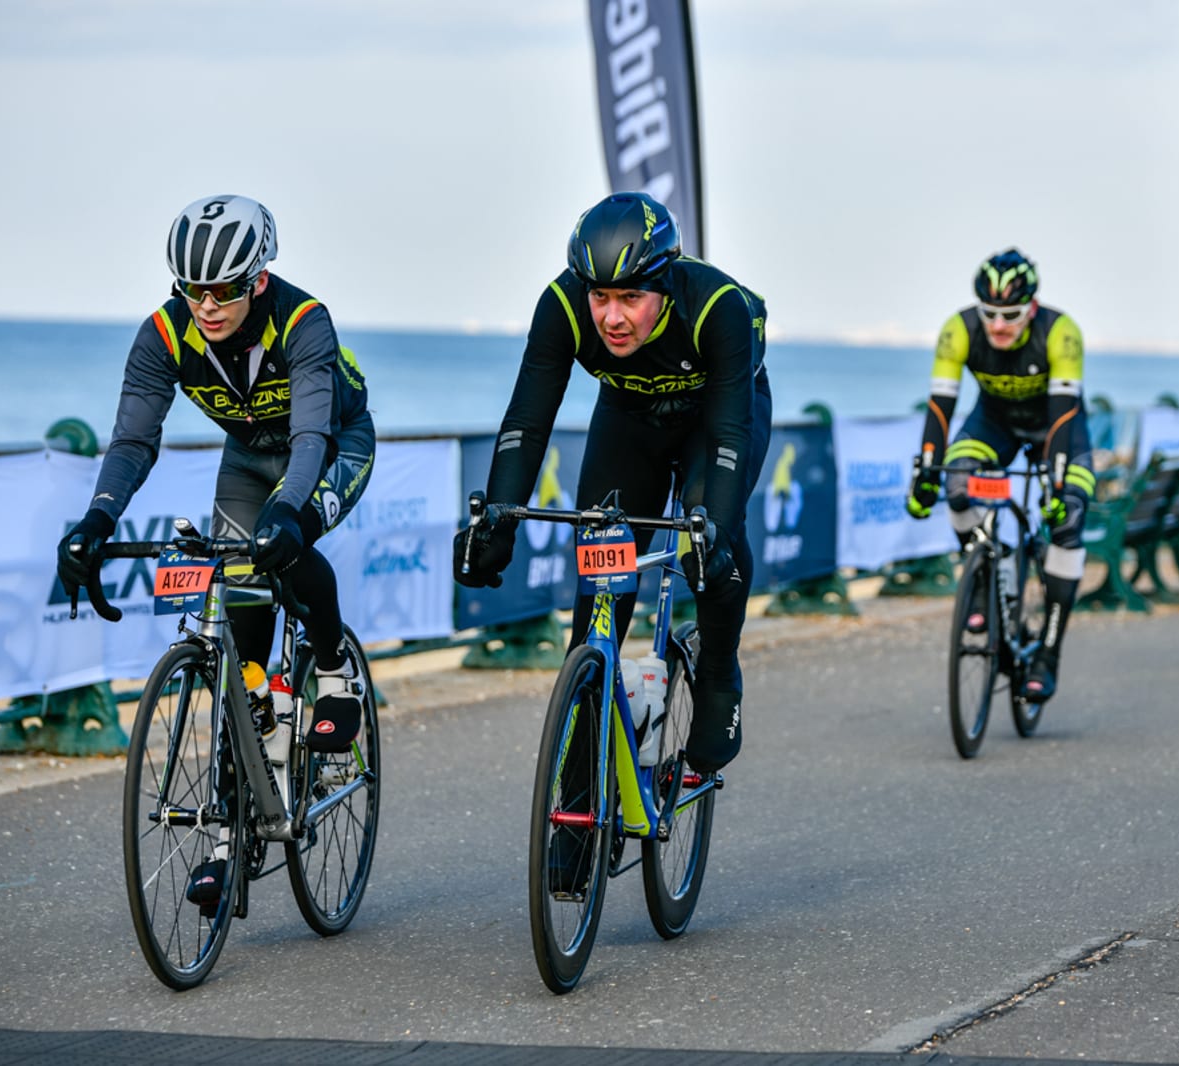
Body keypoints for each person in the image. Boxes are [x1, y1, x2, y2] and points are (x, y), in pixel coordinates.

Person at [55, 194, 375, 907]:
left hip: (327, 448)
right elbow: (135, 439)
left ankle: (331, 675)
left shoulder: (303, 321)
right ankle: (233, 832)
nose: (206, 304)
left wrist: (290, 511)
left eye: (224, 289)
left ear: (258, 279)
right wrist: (97, 520)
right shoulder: (164, 335)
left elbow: (312, 436)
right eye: (191, 289)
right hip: (246, 458)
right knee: (244, 650)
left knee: (284, 550)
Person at [454, 191, 771, 783]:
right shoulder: (561, 305)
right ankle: (575, 805)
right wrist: (496, 518)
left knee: (709, 536)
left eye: (631, 297)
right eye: (600, 296)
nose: (612, 317)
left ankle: (720, 670)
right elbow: (526, 421)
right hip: (629, 420)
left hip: (717, 420)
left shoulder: (718, 306)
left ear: (665, 285)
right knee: (597, 597)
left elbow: (731, 435)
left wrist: (716, 532)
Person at [906, 248, 1095, 703]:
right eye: (989, 313)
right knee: (956, 485)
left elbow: (1065, 416)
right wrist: (927, 468)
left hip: (1057, 428)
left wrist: (1057, 479)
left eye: (1011, 314)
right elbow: (940, 407)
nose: (998, 325)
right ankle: (984, 579)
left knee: (1067, 519)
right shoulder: (958, 329)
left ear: (1031, 307)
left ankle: (1048, 656)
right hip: (993, 425)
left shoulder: (1061, 332)